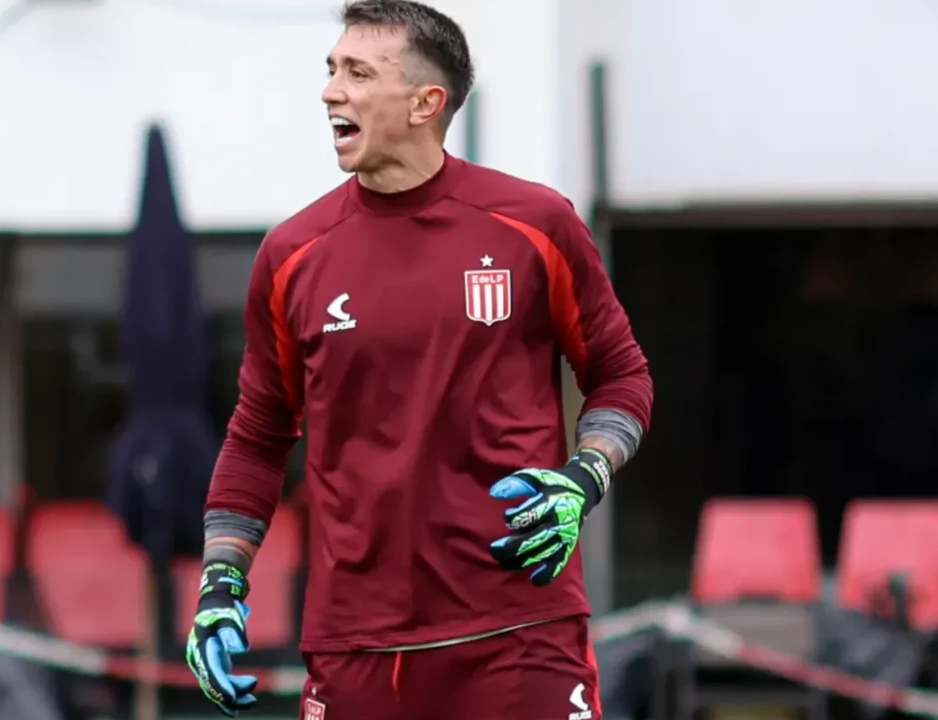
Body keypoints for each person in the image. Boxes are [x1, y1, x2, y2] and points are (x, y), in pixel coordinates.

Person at [184, 1, 653, 718]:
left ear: (424, 103)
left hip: (518, 632)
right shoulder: (292, 254)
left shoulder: (537, 225)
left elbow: (621, 376)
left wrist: (584, 476)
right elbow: (257, 435)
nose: (330, 91)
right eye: (332, 70)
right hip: (354, 647)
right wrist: (221, 580)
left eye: (357, 73)